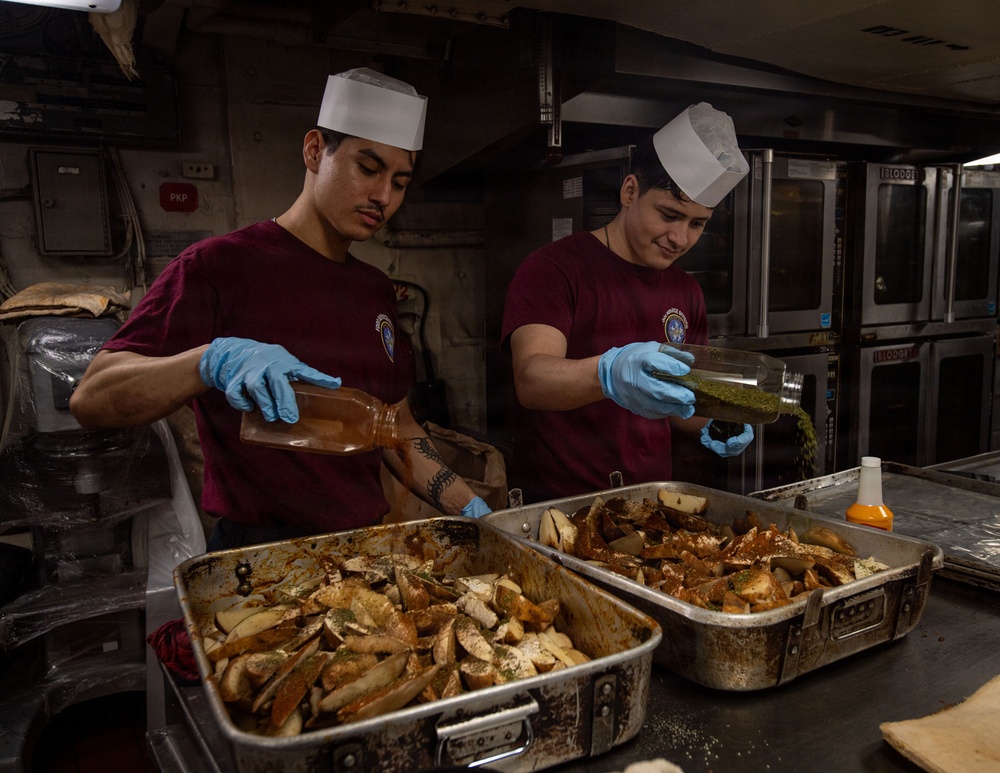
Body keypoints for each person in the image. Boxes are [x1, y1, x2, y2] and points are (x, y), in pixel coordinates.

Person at [70, 67, 490, 550]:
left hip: (362, 550)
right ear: (315, 150)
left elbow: (394, 428)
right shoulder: (219, 265)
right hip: (261, 553)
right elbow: (93, 399)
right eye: (368, 169)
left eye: (400, 181)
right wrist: (210, 360)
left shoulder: (375, 290)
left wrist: (476, 509)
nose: (384, 197)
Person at [501, 102, 756, 503]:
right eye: (669, 215)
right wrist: (609, 372)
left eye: (697, 223)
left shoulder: (685, 291)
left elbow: (680, 401)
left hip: (651, 501)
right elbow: (532, 381)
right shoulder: (554, 269)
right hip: (560, 505)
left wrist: (714, 418)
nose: (680, 238)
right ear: (630, 191)